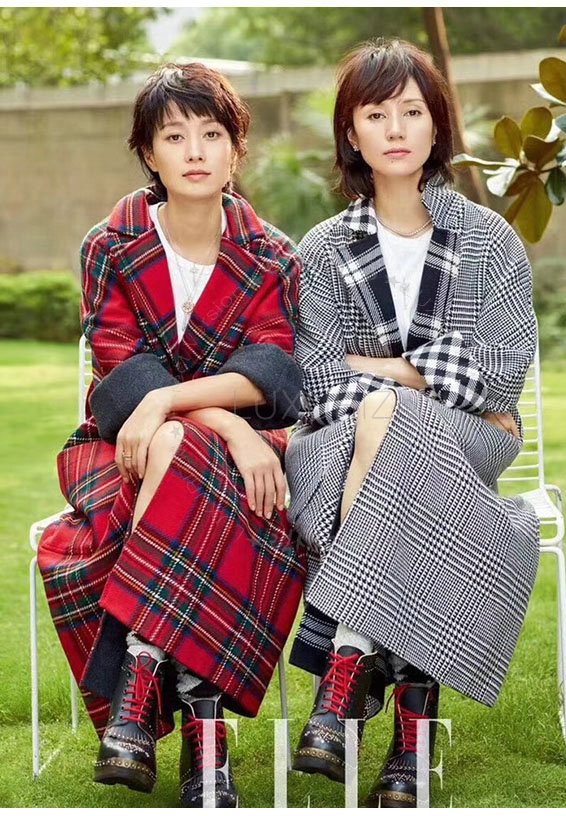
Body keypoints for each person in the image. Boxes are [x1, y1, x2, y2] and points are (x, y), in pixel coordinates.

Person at [37, 62, 306, 808]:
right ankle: (204, 738)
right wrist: (217, 420)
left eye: (212, 134)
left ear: (236, 150)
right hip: (125, 446)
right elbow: (122, 377)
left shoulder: (273, 254)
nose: (194, 151)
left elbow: (273, 374)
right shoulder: (110, 246)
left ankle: (140, 678)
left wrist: (181, 406)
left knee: (179, 446)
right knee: (173, 444)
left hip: (247, 451)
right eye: (174, 136)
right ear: (148, 153)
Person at [285, 39, 540, 807]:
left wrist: (385, 372)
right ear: (351, 134)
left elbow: (503, 374)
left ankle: (343, 663)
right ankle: (411, 728)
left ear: (437, 126)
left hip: (473, 443)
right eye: (375, 115)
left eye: (411, 112)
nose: (395, 129)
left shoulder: (490, 240)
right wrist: (429, 376)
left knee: (388, 413)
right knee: (387, 424)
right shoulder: (323, 250)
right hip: (342, 444)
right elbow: (316, 385)